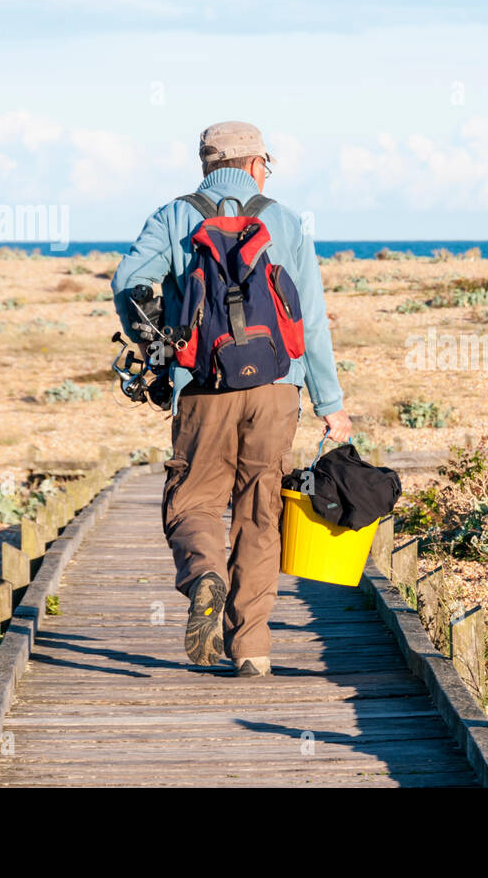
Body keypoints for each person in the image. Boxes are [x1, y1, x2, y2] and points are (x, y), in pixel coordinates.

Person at [111, 121, 352, 677]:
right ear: (254, 164)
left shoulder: (174, 216)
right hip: (275, 391)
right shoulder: (284, 219)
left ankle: (204, 577)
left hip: (202, 387)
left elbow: (128, 281)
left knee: (193, 502)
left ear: (206, 165)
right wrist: (330, 404)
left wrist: (155, 343)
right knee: (260, 512)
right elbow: (311, 320)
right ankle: (252, 649)